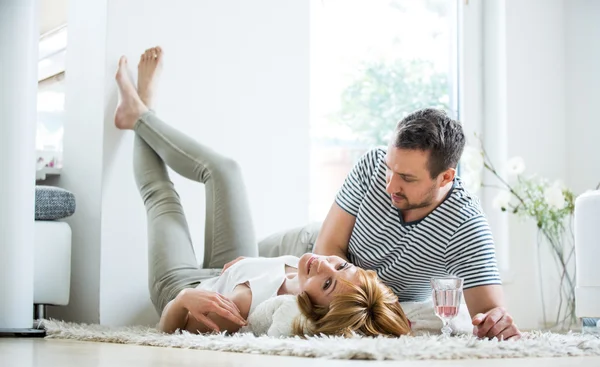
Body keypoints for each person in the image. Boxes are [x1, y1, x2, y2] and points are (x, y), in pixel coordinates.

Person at [113, 47, 411, 338]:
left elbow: (165, 331)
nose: (324, 263)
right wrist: (246, 266)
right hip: (231, 270)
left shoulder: (236, 310)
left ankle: (142, 107)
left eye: (327, 284)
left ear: (315, 311)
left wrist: (181, 301)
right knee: (225, 171)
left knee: (163, 198)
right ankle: (140, 113)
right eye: (341, 265)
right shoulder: (312, 270)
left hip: (184, 286)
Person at [312, 108, 521, 340]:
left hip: (327, 286)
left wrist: (497, 324)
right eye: (389, 169)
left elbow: (489, 316)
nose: (390, 186)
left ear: (445, 177)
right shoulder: (371, 165)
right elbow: (325, 249)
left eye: (407, 178)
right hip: (304, 252)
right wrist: (370, 308)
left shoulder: (465, 226)